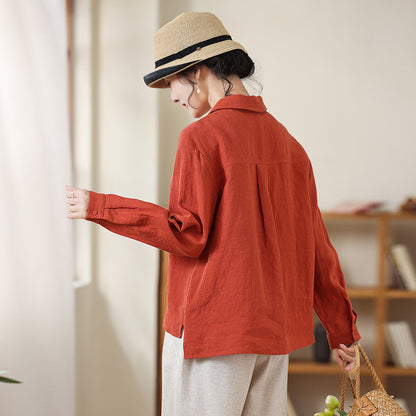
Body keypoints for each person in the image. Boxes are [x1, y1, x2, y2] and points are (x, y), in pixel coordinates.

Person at [66, 11, 360, 416]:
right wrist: (343, 332)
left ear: (199, 70)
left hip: (211, 332)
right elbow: (318, 250)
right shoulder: (290, 147)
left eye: (172, 81)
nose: (172, 95)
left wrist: (100, 206)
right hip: (272, 340)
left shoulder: (201, 138)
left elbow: (187, 234)